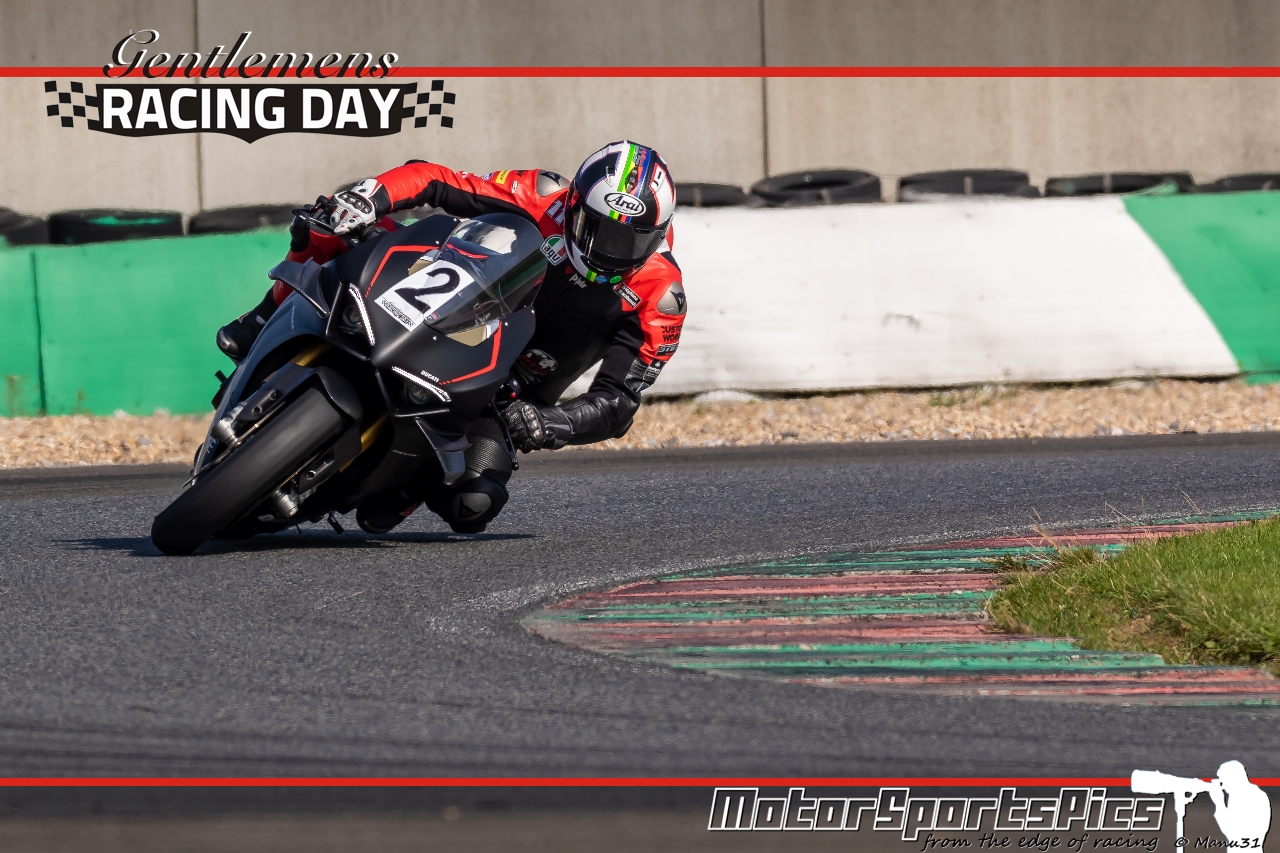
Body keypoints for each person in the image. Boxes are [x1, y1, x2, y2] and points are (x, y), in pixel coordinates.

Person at [215, 141, 687, 535]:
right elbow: (435, 179)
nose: (610, 252)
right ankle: (262, 318)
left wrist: (549, 423)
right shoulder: (542, 195)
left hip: (507, 393)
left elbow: (618, 402)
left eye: (631, 240)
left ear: (660, 233)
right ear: (575, 206)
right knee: (328, 222)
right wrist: (370, 197)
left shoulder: (662, 298)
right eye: (599, 231)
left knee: (473, 504)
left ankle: (406, 485)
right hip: (444, 304)